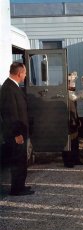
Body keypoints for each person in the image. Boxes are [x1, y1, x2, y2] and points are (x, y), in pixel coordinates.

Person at [0, 62, 34, 196]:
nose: (25, 76)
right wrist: (17, 134)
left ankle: (21, 185)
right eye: (25, 73)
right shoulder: (8, 89)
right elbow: (10, 114)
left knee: (21, 159)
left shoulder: (13, 86)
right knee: (17, 160)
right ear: (20, 73)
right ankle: (17, 189)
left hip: (19, 131)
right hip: (16, 133)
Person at [62, 71, 83, 168]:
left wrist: (77, 119)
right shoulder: (64, 94)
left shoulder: (72, 94)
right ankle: (68, 161)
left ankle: (76, 159)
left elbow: (74, 109)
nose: (73, 84)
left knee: (75, 141)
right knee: (67, 142)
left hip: (73, 120)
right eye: (71, 81)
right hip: (67, 121)